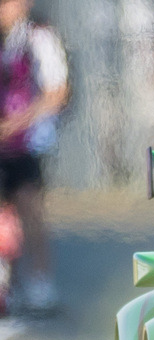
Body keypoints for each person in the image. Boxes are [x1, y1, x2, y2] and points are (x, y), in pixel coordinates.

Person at [0, 0, 68, 317]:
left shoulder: (38, 36)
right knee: (4, 217)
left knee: (30, 208)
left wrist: (20, 122)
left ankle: (41, 284)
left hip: (26, 141)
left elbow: (56, 92)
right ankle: (6, 286)